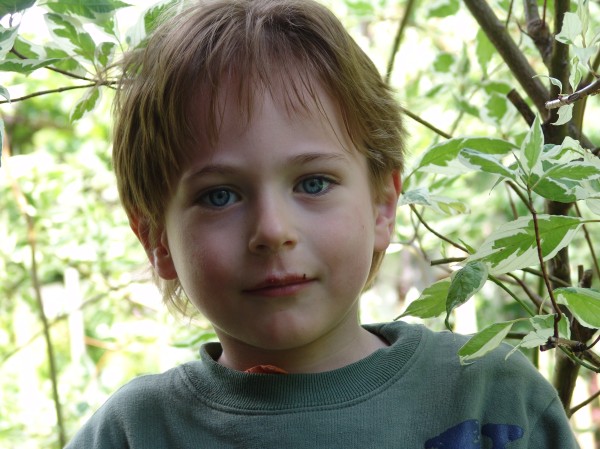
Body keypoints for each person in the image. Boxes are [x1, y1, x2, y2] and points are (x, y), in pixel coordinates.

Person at [65, 0, 580, 447]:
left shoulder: (494, 400)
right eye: (220, 195)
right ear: (156, 240)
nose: (273, 231)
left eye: (313, 183)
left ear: (382, 206)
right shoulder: (133, 433)